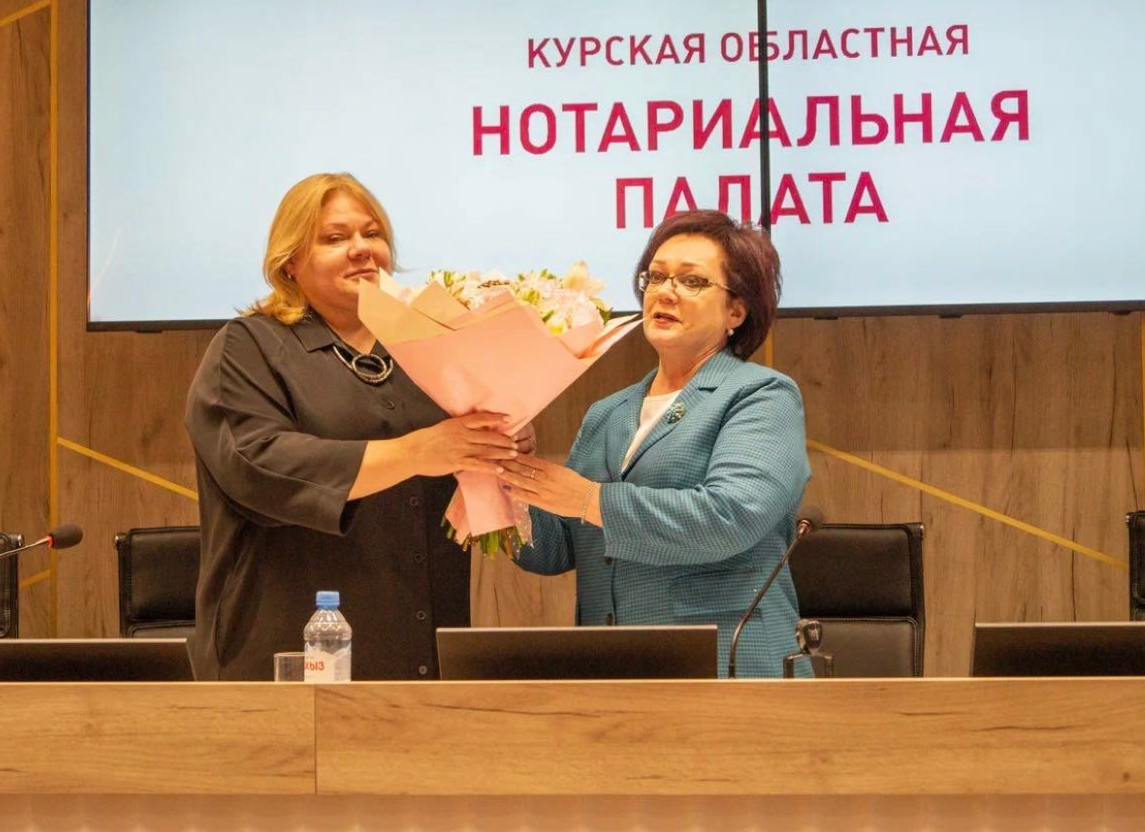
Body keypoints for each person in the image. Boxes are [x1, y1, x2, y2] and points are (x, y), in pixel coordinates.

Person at [184, 173, 531, 680]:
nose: (362, 249)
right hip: (286, 651)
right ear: (289, 262)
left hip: (421, 648)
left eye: (373, 234)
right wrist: (417, 451)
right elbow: (258, 465)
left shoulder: (427, 348)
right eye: (334, 238)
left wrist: (500, 443)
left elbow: (462, 464)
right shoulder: (248, 347)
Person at [499, 209, 810, 678]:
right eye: (656, 277)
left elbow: (731, 516)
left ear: (736, 311)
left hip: (727, 668)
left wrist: (590, 500)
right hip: (614, 671)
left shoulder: (761, 395)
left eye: (692, 281)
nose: (664, 291)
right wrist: (509, 473)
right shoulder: (607, 412)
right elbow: (555, 548)